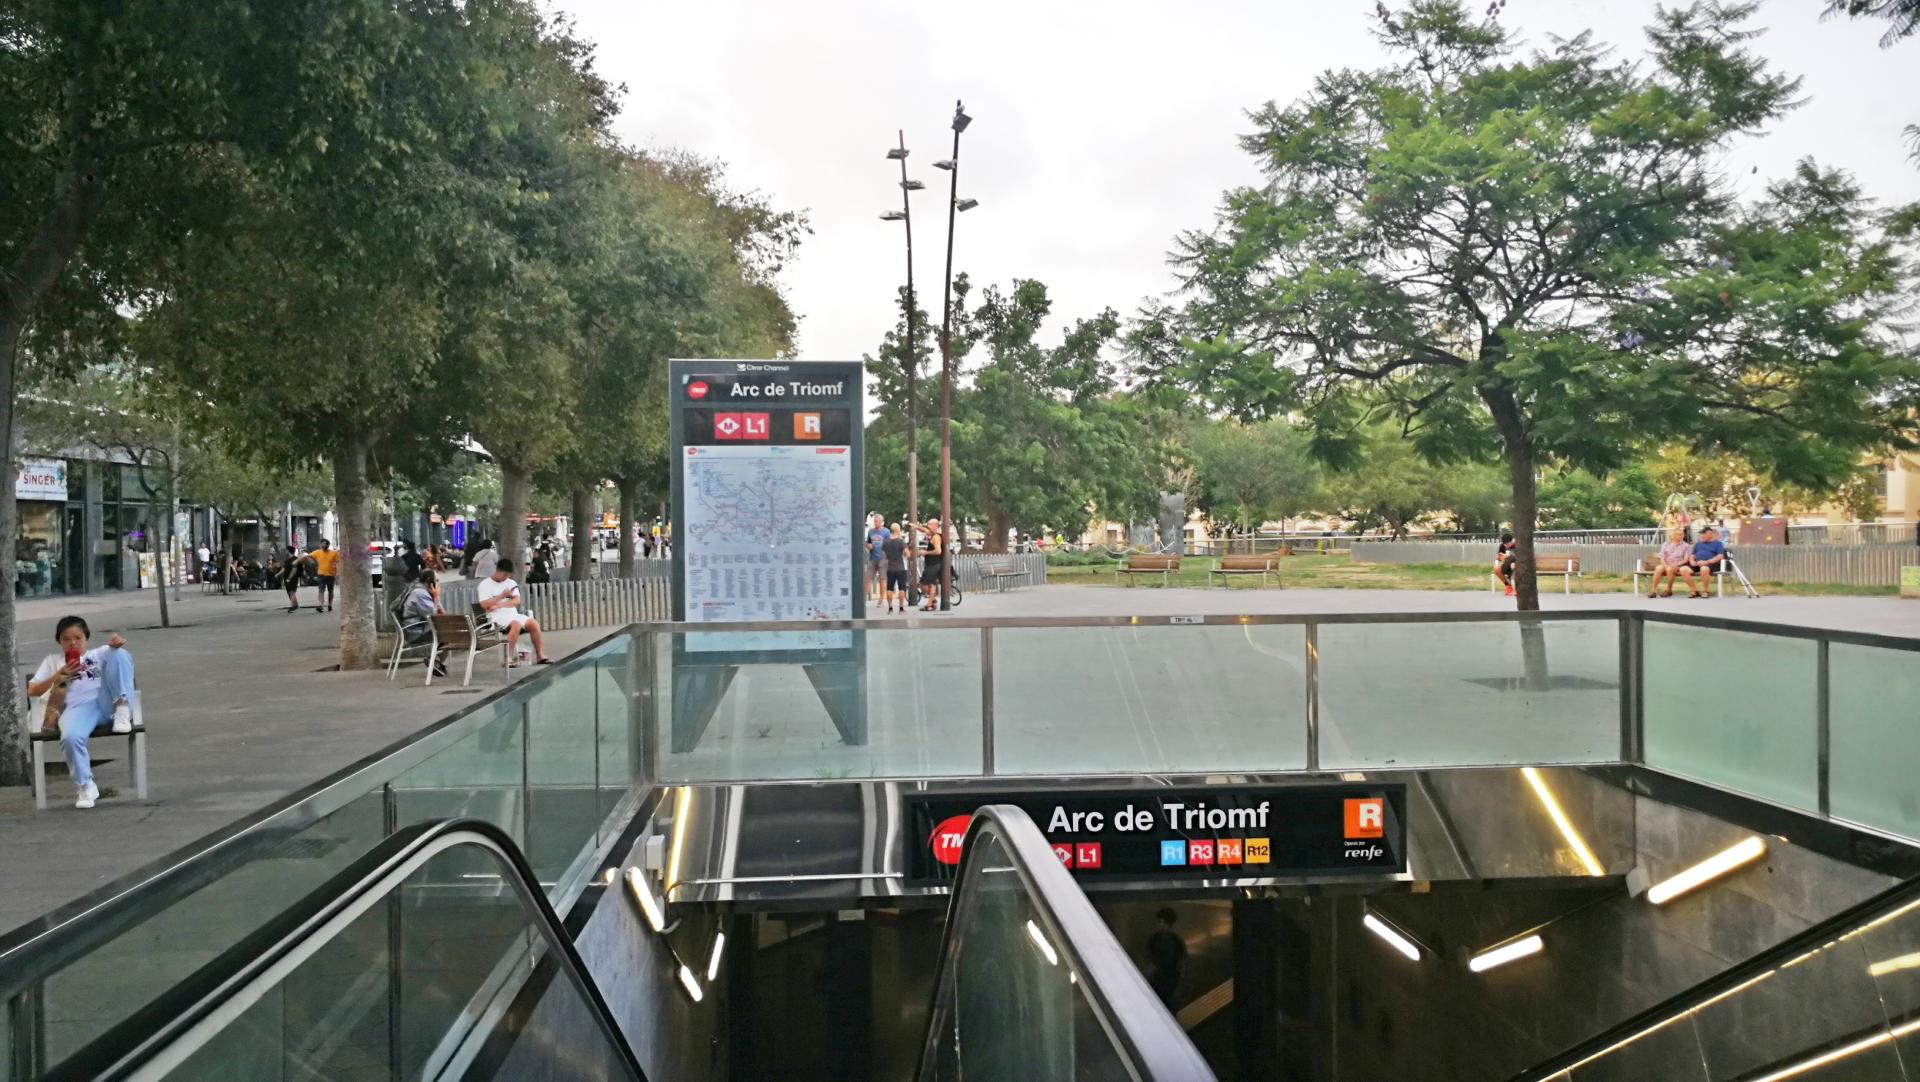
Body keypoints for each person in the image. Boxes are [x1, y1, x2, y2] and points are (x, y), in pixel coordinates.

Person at [27, 617, 134, 810]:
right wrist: (58, 676)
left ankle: (122, 708)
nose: (73, 643)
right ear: (59, 641)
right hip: (78, 708)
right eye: (66, 639)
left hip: (107, 702)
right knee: (70, 737)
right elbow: (32, 690)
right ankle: (85, 785)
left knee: (118, 653)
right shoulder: (53, 661)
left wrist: (116, 645)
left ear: (86, 638)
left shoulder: (99, 653)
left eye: (78, 637)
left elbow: (119, 662)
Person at [477, 559, 552, 666]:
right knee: (516, 624)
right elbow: (484, 604)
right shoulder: (485, 584)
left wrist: (499, 605)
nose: (506, 577)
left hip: (512, 614)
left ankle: (540, 655)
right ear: (497, 571)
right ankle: (508, 657)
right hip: (496, 616)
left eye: (508, 575)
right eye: (504, 574)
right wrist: (501, 596)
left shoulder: (511, 583)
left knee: (534, 623)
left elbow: (516, 601)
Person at [399, 569, 449, 677]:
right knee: (448, 634)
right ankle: (434, 660)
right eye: (437, 581)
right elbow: (432, 614)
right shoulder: (419, 593)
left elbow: (442, 614)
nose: (438, 584)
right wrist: (436, 597)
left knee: (449, 632)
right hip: (415, 632)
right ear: (429, 581)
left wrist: (436, 597)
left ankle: (436, 661)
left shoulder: (426, 592)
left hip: (421, 628)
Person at [1144, 908, 1187, 1006]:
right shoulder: (1154, 939)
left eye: (1163, 922)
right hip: (1156, 980)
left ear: (1170, 924)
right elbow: (1148, 959)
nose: (1161, 925)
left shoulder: (1176, 941)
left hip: (1170, 981)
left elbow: (1182, 962)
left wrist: (1180, 985)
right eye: (1160, 922)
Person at [1649, 528, 1697, 598]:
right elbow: (1662, 557)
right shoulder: (1666, 544)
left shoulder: (1686, 546)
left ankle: (1668, 589)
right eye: (1679, 534)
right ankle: (1653, 591)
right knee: (1658, 568)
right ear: (1674, 535)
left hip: (1677, 565)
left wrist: (1677, 565)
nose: (1682, 536)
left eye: (1682, 534)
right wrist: (1665, 565)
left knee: (1670, 569)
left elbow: (1686, 559)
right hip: (1666, 564)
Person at [916, 518, 945, 612]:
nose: (928, 526)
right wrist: (916, 527)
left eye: (929, 524)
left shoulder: (936, 537)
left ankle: (931, 602)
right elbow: (924, 530)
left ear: (935, 526)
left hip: (934, 564)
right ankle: (931, 602)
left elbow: (938, 551)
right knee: (931, 584)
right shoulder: (932, 534)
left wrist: (926, 552)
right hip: (931, 564)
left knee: (924, 584)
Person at [1689, 526, 1727, 597]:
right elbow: (1692, 555)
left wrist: (1707, 562)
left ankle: (1705, 591)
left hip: (1711, 564)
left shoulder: (1718, 544)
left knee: (1704, 569)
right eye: (1701, 534)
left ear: (1710, 534)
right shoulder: (1698, 544)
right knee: (1683, 569)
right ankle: (1694, 590)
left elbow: (1720, 556)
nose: (1701, 536)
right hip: (1697, 564)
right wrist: (1692, 561)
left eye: (1704, 534)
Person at [881, 523, 910, 613]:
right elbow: (908, 554)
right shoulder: (901, 541)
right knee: (901, 588)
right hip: (901, 568)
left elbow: (885, 557)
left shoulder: (885, 542)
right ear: (898, 530)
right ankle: (901, 608)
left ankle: (890, 608)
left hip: (890, 568)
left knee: (889, 588)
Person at [307, 539, 339, 613]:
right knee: (321, 590)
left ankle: (330, 604)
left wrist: (337, 574)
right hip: (321, 575)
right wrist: (311, 561)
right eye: (322, 544)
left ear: (328, 545)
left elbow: (338, 563)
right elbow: (308, 556)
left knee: (330, 591)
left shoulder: (334, 553)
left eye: (325, 543)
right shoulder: (317, 552)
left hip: (331, 575)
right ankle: (321, 605)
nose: (323, 545)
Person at [865, 514, 890, 602]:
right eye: (875, 521)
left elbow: (889, 544)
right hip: (873, 558)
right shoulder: (871, 531)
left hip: (883, 558)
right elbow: (868, 542)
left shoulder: (886, 532)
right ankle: (863, 598)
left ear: (881, 522)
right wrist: (868, 545)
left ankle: (881, 599)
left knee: (882, 579)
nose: (875, 523)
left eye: (877, 521)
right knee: (868, 578)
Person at [280, 545, 306, 612]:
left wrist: (289, 578)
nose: (285, 551)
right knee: (290, 592)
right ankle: (295, 605)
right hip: (286, 578)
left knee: (292, 591)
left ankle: (293, 606)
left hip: (293, 578)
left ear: (288, 551)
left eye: (286, 550)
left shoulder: (296, 559)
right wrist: (277, 574)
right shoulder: (287, 560)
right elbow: (284, 569)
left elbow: (294, 570)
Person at [1494, 531, 1518, 597]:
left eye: (1507, 544)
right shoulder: (1503, 546)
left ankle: (1518, 589)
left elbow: (1523, 557)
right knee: (1496, 568)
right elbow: (1498, 556)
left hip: (1517, 563)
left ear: (1512, 541)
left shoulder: (1518, 544)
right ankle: (1508, 586)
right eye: (1504, 544)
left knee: (1514, 566)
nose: (1505, 546)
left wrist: (1515, 562)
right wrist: (1500, 558)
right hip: (1507, 564)